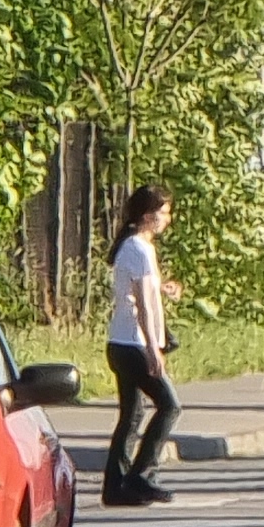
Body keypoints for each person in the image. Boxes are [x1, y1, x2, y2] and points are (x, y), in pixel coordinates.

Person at [102, 186, 178, 507]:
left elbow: (140, 287)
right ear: (149, 217)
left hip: (119, 341)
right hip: (133, 343)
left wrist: (164, 286)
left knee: (132, 415)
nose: (167, 219)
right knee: (169, 406)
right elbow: (145, 303)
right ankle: (142, 476)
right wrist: (152, 348)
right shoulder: (139, 249)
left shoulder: (133, 246)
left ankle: (116, 487)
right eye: (164, 213)